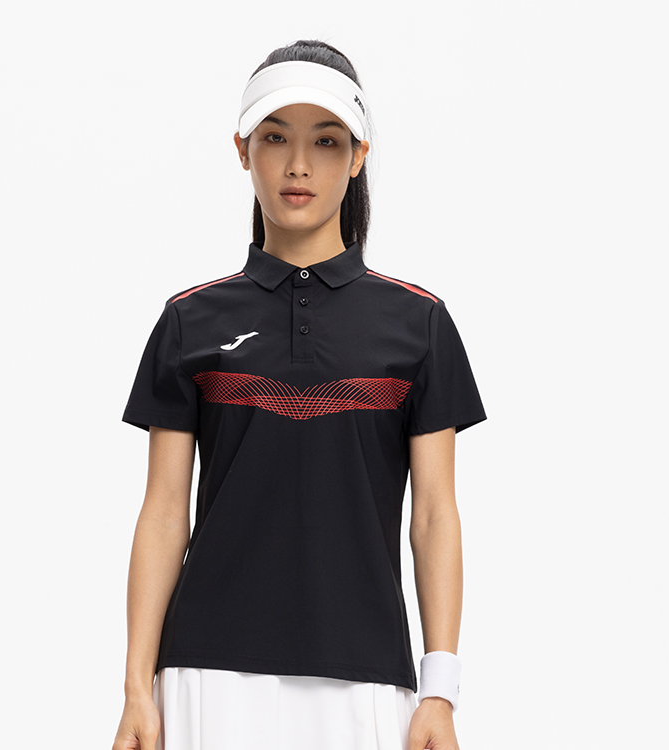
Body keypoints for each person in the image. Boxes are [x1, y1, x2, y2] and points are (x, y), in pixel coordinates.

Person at [112, 39, 487, 750]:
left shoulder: (419, 323)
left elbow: (436, 514)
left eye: (326, 140)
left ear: (359, 155)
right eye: (276, 137)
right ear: (242, 150)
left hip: (366, 675)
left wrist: (440, 689)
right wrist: (137, 688)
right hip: (207, 671)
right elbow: (163, 512)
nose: (298, 165)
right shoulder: (190, 320)